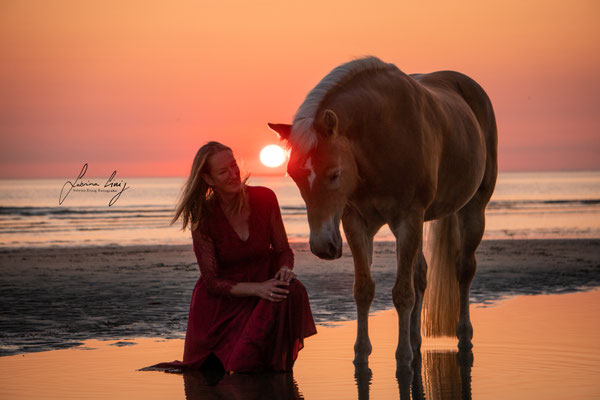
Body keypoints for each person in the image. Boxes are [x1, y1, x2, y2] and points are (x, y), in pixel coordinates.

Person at [147, 141, 316, 373]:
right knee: (233, 370)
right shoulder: (203, 217)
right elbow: (212, 282)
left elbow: (282, 251)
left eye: (234, 165)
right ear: (208, 179)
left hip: (263, 293)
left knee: (292, 290)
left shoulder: (265, 198)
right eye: (223, 171)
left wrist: (285, 268)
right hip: (223, 305)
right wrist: (258, 288)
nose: (233, 174)